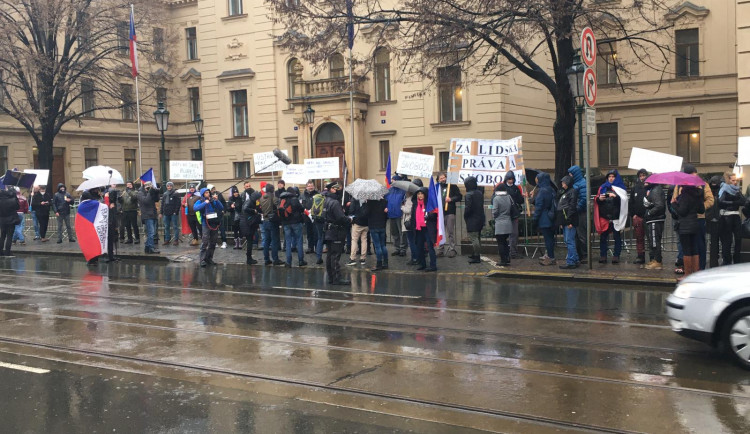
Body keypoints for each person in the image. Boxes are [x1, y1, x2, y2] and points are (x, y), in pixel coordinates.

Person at [683, 164, 713, 270]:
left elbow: (710, 200)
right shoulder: (680, 185)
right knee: (687, 246)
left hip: (699, 218)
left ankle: (701, 267)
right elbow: (675, 198)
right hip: (685, 219)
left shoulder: (703, 185)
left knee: (699, 244)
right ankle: (689, 269)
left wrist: (699, 207)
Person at [672, 184, 705, 278]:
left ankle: (687, 275)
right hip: (695, 224)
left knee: (686, 250)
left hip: (685, 226)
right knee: (694, 250)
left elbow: (682, 211)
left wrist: (674, 204)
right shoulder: (697, 195)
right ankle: (695, 274)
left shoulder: (685, 195)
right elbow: (701, 210)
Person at [595, 169, 628, 264]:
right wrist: (599, 199)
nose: (611, 178)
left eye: (613, 176)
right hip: (604, 217)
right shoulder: (602, 187)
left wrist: (616, 196)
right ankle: (603, 256)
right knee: (603, 238)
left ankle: (616, 255)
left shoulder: (620, 188)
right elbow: (597, 199)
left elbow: (624, 200)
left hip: (616, 217)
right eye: (609, 177)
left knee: (617, 237)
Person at [323, 181, 351, 285]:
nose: (338, 190)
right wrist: (349, 220)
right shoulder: (334, 202)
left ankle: (331, 277)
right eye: (336, 189)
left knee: (330, 255)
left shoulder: (326, 200)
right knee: (335, 256)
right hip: (336, 232)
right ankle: (336, 278)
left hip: (328, 231)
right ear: (332, 189)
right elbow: (340, 218)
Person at [718, 172, 745, 265]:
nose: (735, 182)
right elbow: (720, 202)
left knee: (738, 239)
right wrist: (734, 202)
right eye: (733, 180)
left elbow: (743, 201)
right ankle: (727, 261)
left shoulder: (737, 190)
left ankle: (736, 260)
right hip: (726, 217)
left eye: (736, 180)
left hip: (735, 216)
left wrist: (732, 202)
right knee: (727, 241)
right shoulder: (725, 188)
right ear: (728, 180)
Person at [194, 187, 224, 266]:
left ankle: (209, 258)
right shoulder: (200, 201)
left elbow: (221, 207)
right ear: (203, 194)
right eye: (206, 192)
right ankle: (202, 260)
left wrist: (217, 200)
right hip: (205, 224)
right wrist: (205, 203)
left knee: (213, 242)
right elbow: (195, 208)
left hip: (213, 223)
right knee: (205, 242)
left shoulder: (212, 201)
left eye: (208, 192)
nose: (208, 194)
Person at [532, 172, 556, 266]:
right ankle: (551, 256)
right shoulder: (551, 189)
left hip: (544, 218)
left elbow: (539, 206)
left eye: (537, 179)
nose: (536, 181)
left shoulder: (542, 191)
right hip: (551, 217)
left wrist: (534, 219)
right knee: (551, 238)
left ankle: (550, 257)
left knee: (548, 239)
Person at [279, 187, 307, 267]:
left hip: (286, 223)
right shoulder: (294, 199)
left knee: (288, 242)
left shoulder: (282, 199)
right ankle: (301, 260)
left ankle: (288, 262)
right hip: (296, 222)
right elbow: (301, 209)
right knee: (299, 240)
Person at [412, 187, 437, 272]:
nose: (420, 195)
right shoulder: (415, 204)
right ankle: (422, 264)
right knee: (419, 246)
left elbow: (434, 215)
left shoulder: (429, 204)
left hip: (428, 228)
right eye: (418, 194)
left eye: (422, 194)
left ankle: (433, 265)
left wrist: (428, 216)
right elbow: (413, 217)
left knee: (430, 247)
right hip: (419, 228)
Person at [437, 173, 462, 257]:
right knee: (441, 232)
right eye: (441, 178)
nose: (443, 179)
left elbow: (459, 196)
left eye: (444, 177)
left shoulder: (452, 186)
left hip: (450, 212)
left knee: (450, 231)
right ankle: (440, 249)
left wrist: (451, 199)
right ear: (438, 179)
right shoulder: (437, 187)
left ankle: (452, 249)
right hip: (440, 213)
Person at [643, 180, 666, 270]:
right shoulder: (654, 189)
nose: (644, 184)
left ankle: (658, 261)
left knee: (654, 240)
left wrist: (649, 213)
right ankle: (655, 259)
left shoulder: (656, 190)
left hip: (655, 219)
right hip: (654, 219)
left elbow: (659, 205)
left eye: (646, 182)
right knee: (653, 240)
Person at [557, 176, 579, 269]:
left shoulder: (572, 192)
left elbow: (571, 207)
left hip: (569, 220)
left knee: (569, 240)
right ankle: (575, 259)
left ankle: (571, 261)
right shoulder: (566, 192)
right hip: (566, 220)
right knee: (568, 240)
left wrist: (569, 221)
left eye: (564, 183)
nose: (562, 184)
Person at [260, 184, 283, 265]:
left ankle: (266, 259)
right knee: (274, 241)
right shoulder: (273, 197)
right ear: (272, 189)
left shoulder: (262, 198)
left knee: (266, 241)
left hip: (265, 220)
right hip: (273, 221)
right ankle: (275, 259)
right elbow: (279, 207)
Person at [629, 169, 649, 264]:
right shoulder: (635, 188)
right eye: (640, 176)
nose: (642, 177)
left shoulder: (650, 187)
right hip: (638, 217)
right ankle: (640, 256)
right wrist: (633, 214)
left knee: (650, 238)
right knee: (639, 237)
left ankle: (653, 257)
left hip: (649, 217)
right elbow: (631, 202)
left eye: (644, 175)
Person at [463, 176, 485, 264]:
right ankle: (475, 253)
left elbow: (468, 208)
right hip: (480, 218)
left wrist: (466, 216)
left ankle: (477, 256)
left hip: (472, 219)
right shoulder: (479, 193)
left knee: (474, 238)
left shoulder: (468, 195)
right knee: (478, 237)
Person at [568, 165, 587, 259]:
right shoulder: (577, 183)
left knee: (581, 234)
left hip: (581, 212)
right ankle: (579, 254)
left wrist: (575, 209)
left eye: (571, 174)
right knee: (577, 235)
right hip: (577, 211)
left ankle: (584, 255)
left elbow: (584, 198)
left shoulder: (582, 184)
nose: (569, 175)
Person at [492, 184, 514, 266]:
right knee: (505, 242)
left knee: (500, 242)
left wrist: (494, 217)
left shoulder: (496, 199)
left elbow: (495, 211)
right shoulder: (509, 197)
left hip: (500, 223)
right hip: (508, 222)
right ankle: (507, 258)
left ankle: (503, 260)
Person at [503, 172, 524, 259]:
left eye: (512, 179)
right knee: (507, 234)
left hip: (513, 213)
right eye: (509, 179)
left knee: (514, 234)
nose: (511, 181)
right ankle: (508, 252)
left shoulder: (516, 188)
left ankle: (513, 252)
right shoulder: (503, 188)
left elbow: (520, 200)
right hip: (506, 213)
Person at [240, 184, 262, 265]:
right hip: (247, 224)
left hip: (247, 224)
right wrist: (254, 211)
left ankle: (249, 257)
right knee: (249, 241)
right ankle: (249, 259)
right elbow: (245, 209)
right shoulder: (249, 201)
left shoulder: (251, 201)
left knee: (250, 241)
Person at [137, 181, 160, 254]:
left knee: (151, 232)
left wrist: (155, 192)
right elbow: (146, 201)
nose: (149, 188)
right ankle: (151, 248)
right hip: (147, 215)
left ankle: (147, 248)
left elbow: (157, 199)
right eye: (148, 187)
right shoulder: (140, 193)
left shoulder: (149, 192)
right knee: (151, 232)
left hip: (153, 214)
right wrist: (150, 192)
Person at [386, 175, 407, 256]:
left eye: (393, 180)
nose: (392, 181)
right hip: (391, 214)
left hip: (400, 214)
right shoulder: (389, 191)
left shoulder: (403, 191)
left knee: (402, 233)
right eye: (392, 180)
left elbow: (405, 201)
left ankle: (403, 249)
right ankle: (397, 248)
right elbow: (385, 201)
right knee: (394, 233)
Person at [366, 197, 388, 271]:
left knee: (377, 246)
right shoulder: (384, 201)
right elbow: (386, 215)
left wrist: (366, 203)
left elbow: (366, 213)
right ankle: (385, 263)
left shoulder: (370, 202)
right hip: (382, 225)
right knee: (383, 245)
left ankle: (379, 264)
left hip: (373, 226)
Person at [346, 198, 369, 266]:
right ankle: (363, 258)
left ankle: (353, 258)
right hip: (366, 223)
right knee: (364, 240)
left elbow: (351, 211)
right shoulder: (368, 200)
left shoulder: (355, 200)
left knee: (354, 240)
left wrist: (351, 217)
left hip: (357, 223)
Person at [706, 175, 722, 268]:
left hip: (715, 219)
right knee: (714, 242)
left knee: (714, 242)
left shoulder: (715, 191)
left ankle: (714, 261)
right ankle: (714, 261)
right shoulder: (715, 192)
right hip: (714, 220)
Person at [0, 186, 20, 257]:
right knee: (9, 236)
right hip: (11, 220)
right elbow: (18, 207)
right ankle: (7, 252)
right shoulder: (13, 199)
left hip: (2, 220)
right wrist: (16, 198)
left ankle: (0, 252)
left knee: (2, 236)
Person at [161, 182, 181, 246]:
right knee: (166, 226)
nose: (169, 187)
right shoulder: (165, 194)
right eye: (168, 186)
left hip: (173, 213)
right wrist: (161, 212)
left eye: (170, 186)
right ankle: (167, 239)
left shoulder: (176, 194)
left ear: (172, 186)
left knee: (175, 226)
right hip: (166, 213)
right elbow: (162, 204)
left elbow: (178, 204)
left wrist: (176, 211)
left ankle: (176, 239)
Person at [104, 186, 121, 263]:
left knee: (113, 239)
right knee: (109, 240)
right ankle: (109, 255)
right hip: (108, 222)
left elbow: (115, 213)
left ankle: (112, 255)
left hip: (113, 221)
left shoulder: (113, 204)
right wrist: (107, 202)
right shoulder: (104, 199)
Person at [208, 184, 228, 249]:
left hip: (219, 214)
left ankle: (224, 242)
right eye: (212, 189)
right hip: (212, 215)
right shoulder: (208, 197)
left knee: (222, 229)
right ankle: (214, 242)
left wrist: (224, 210)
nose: (213, 190)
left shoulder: (219, 194)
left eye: (214, 188)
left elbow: (224, 203)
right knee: (213, 230)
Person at [301, 181, 319, 254]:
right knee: (309, 233)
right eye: (309, 186)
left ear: (314, 186)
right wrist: (305, 210)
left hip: (315, 216)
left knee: (316, 232)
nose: (310, 187)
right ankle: (310, 247)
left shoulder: (317, 194)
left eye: (311, 186)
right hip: (306, 216)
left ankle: (316, 247)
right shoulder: (302, 195)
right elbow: (301, 204)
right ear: (306, 187)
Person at [402, 190, 418, 265]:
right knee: (414, 241)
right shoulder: (414, 199)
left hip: (409, 222)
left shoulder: (409, 200)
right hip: (414, 222)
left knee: (411, 242)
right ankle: (416, 257)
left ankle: (414, 258)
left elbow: (408, 210)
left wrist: (402, 207)